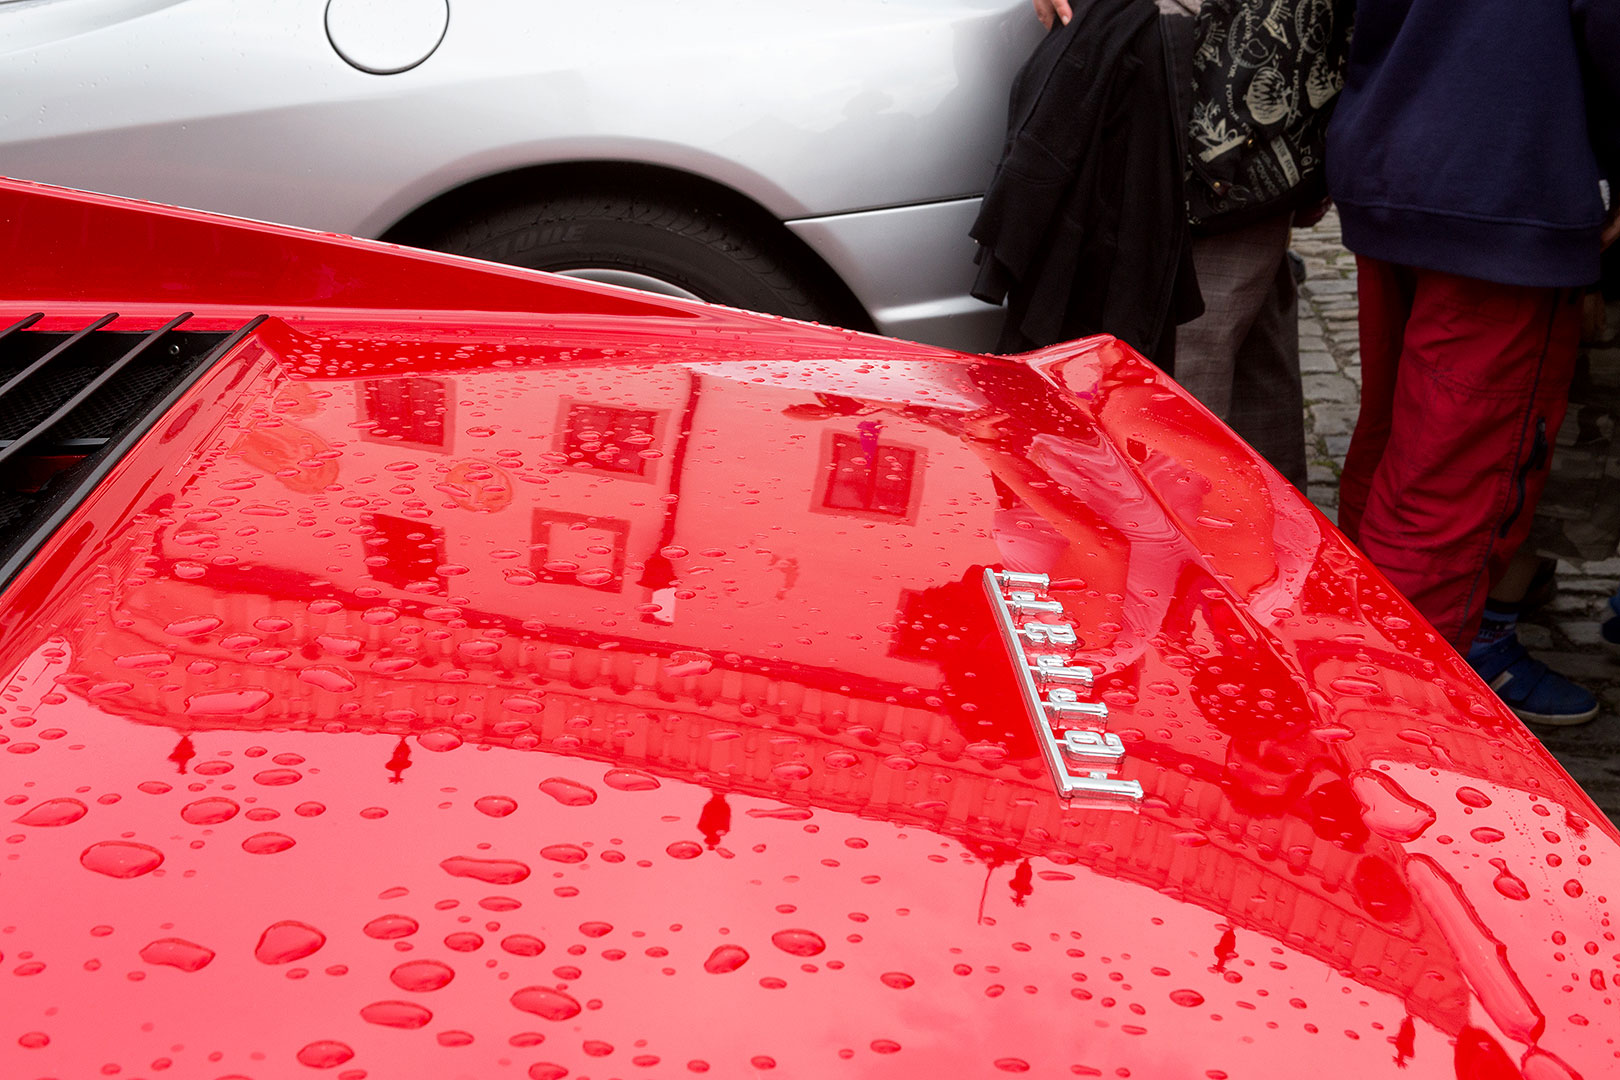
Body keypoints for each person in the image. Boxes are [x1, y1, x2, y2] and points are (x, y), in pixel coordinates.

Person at [1326, 0, 1620, 725]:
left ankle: (1352, 674)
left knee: (1397, 446)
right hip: (1507, 177)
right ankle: (1389, 723)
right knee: (1450, 481)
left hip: (1401, 148)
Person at [1035, 0, 1350, 492]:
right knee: (1239, 339)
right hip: (1181, 69)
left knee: (1194, 350)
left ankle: (1201, 539)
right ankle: (1269, 538)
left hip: (1236, 87)